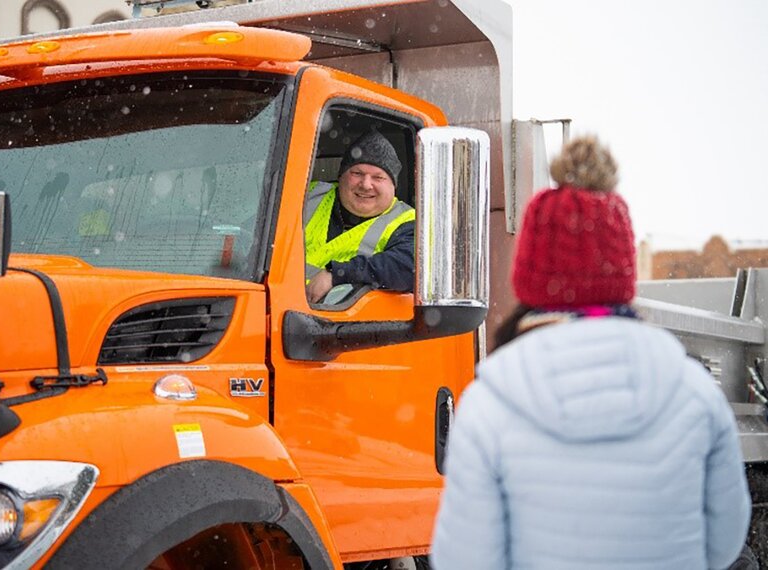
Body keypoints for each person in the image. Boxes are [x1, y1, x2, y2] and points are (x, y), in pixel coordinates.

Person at [431, 136, 752, 569]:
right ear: (622, 272)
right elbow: (724, 541)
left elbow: (466, 560)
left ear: (530, 276)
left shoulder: (491, 402)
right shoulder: (694, 391)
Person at [304, 130, 415, 304]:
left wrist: (337, 273)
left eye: (378, 177)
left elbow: (409, 267)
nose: (366, 185)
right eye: (357, 173)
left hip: (336, 326)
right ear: (341, 176)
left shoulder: (408, 221)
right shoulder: (308, 195)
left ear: (393, 185)